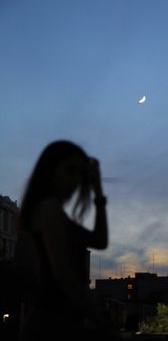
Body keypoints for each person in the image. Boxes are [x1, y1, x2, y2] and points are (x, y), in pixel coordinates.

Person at [16, 140, 110, 340]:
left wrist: (98, 192)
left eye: (80, 173)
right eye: (70, 170)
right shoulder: (49, 209)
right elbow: (63, 274)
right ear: (51, 170)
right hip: (50, 323)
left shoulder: (53, 211)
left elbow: (100, 241)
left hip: (55, 321)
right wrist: (98, 318)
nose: (76, 180)